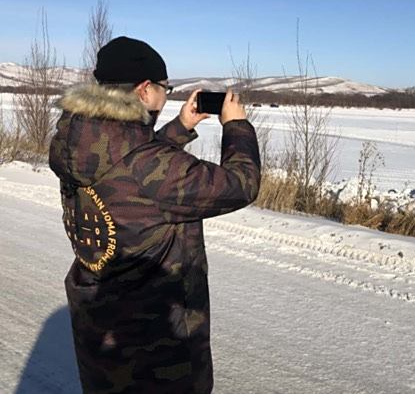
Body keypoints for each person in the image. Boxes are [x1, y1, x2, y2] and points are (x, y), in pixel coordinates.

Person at [49, 36, 261, 393]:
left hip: (100, 340)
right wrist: (236, 126)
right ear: (145, 89)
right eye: (165, 88)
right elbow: (241, 184)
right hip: (155, 357)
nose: (166, 95)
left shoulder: (75, 141)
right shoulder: (146, 166)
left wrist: (179, 128)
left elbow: (132, 171)